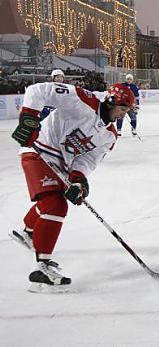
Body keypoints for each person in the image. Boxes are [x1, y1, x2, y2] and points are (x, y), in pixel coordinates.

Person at [9, 81, 135, 291]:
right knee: (56, 205)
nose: (124, 114)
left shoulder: (109, 135)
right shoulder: (83, 100)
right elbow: (37, 91)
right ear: (111, 102)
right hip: (38, 149)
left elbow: (88, 159)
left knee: (53, 200)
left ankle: (29, 233)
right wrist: (29, 119)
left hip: (60, 163)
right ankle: (41, 265)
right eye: (123, 109)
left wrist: (79, 179)